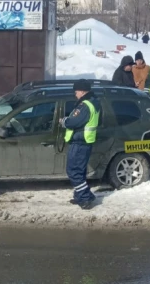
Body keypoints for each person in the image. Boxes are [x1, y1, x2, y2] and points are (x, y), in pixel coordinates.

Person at [59, 79, 101, 210]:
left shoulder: (85, 105)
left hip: (80, 142)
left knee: (73, 172)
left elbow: (73, 122)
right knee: (79, 172)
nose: (75, 94)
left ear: (82, 91)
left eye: (76, 91)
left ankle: (85, 197)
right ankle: (80, 196)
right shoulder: (93, 102)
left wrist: (64, 121)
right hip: (84, 141)